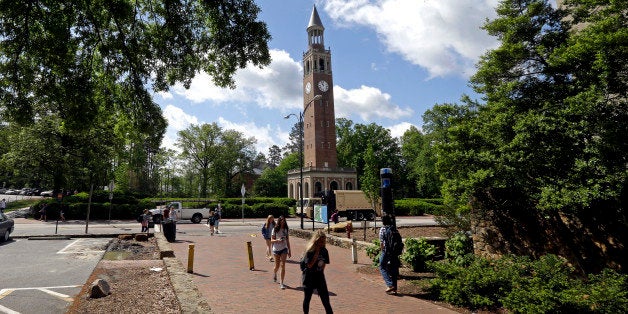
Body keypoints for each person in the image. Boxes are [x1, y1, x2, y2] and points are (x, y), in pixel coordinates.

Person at [301, 230, 333, 314]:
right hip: (309, 276)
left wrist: (320, 274)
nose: (322, 243)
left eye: (323, 241)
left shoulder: (324, 251)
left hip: (319, 276)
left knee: (326, 301)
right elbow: (309, 265)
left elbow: (323, 265)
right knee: (307, 298)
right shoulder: (310, 251)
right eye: (320, 241)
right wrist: (316, 253)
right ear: (316, 240)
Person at [379, 215, 399, 294]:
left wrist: (382, 251)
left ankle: (390, 285)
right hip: (394, 252)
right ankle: (395, 289)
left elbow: (382, 243)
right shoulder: (394, 228)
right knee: (393, 269)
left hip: (386, 251)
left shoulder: (383, 229)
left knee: (382, 266)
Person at [271, 216, 291, 289]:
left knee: (283, 265)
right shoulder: (275, 229)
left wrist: (289, 250)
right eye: (282, 221)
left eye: (284, 221)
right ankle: (275, 272)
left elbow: (288, 240)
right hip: (276, 249)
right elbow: (271, 240)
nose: (283, 222)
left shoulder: (286, 229)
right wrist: (277, 240)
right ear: (279, 221)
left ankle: (281, 283)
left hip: (284, 248)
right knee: (277, 266)